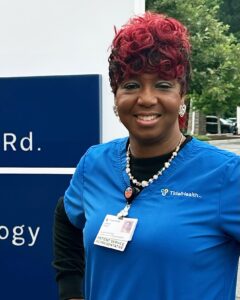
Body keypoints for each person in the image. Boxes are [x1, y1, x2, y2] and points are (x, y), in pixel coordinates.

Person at [53, 12, 240, 300]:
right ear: (116, 96)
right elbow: (66, 215)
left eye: (163, 85)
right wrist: (70, 292)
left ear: (182, 96)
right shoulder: (95, 164)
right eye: (131, 85)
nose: (147, 98)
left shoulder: (226, 175)